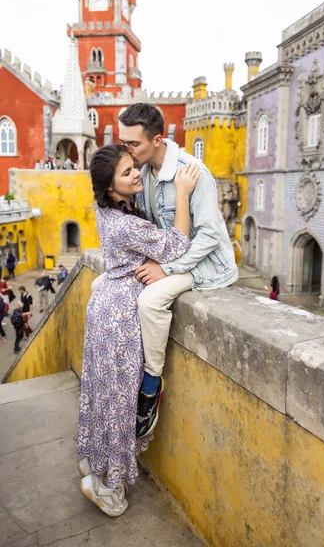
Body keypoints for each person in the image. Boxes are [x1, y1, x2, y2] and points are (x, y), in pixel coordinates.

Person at [76, 144, 199, 518]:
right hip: (120, 324)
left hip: (104, 311)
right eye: (127, 172)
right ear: (111, 187)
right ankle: (109, 491)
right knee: (119, 405)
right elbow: (178, 244)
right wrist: (181, 193)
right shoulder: (127, 224)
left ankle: (96, 466)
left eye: (135, 167)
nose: (136, 175)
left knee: (102, 398)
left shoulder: (106, 208)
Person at [117, 103, 238, 439]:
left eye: (133, 144)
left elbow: (211, 237)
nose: (127, 150)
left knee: (150, 300)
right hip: (173, 256)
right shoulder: (140, 173)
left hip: (205, 265)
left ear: (157, 140)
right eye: (123, 142)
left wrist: (166, 269)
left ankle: (151, 385)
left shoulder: (193, 172)